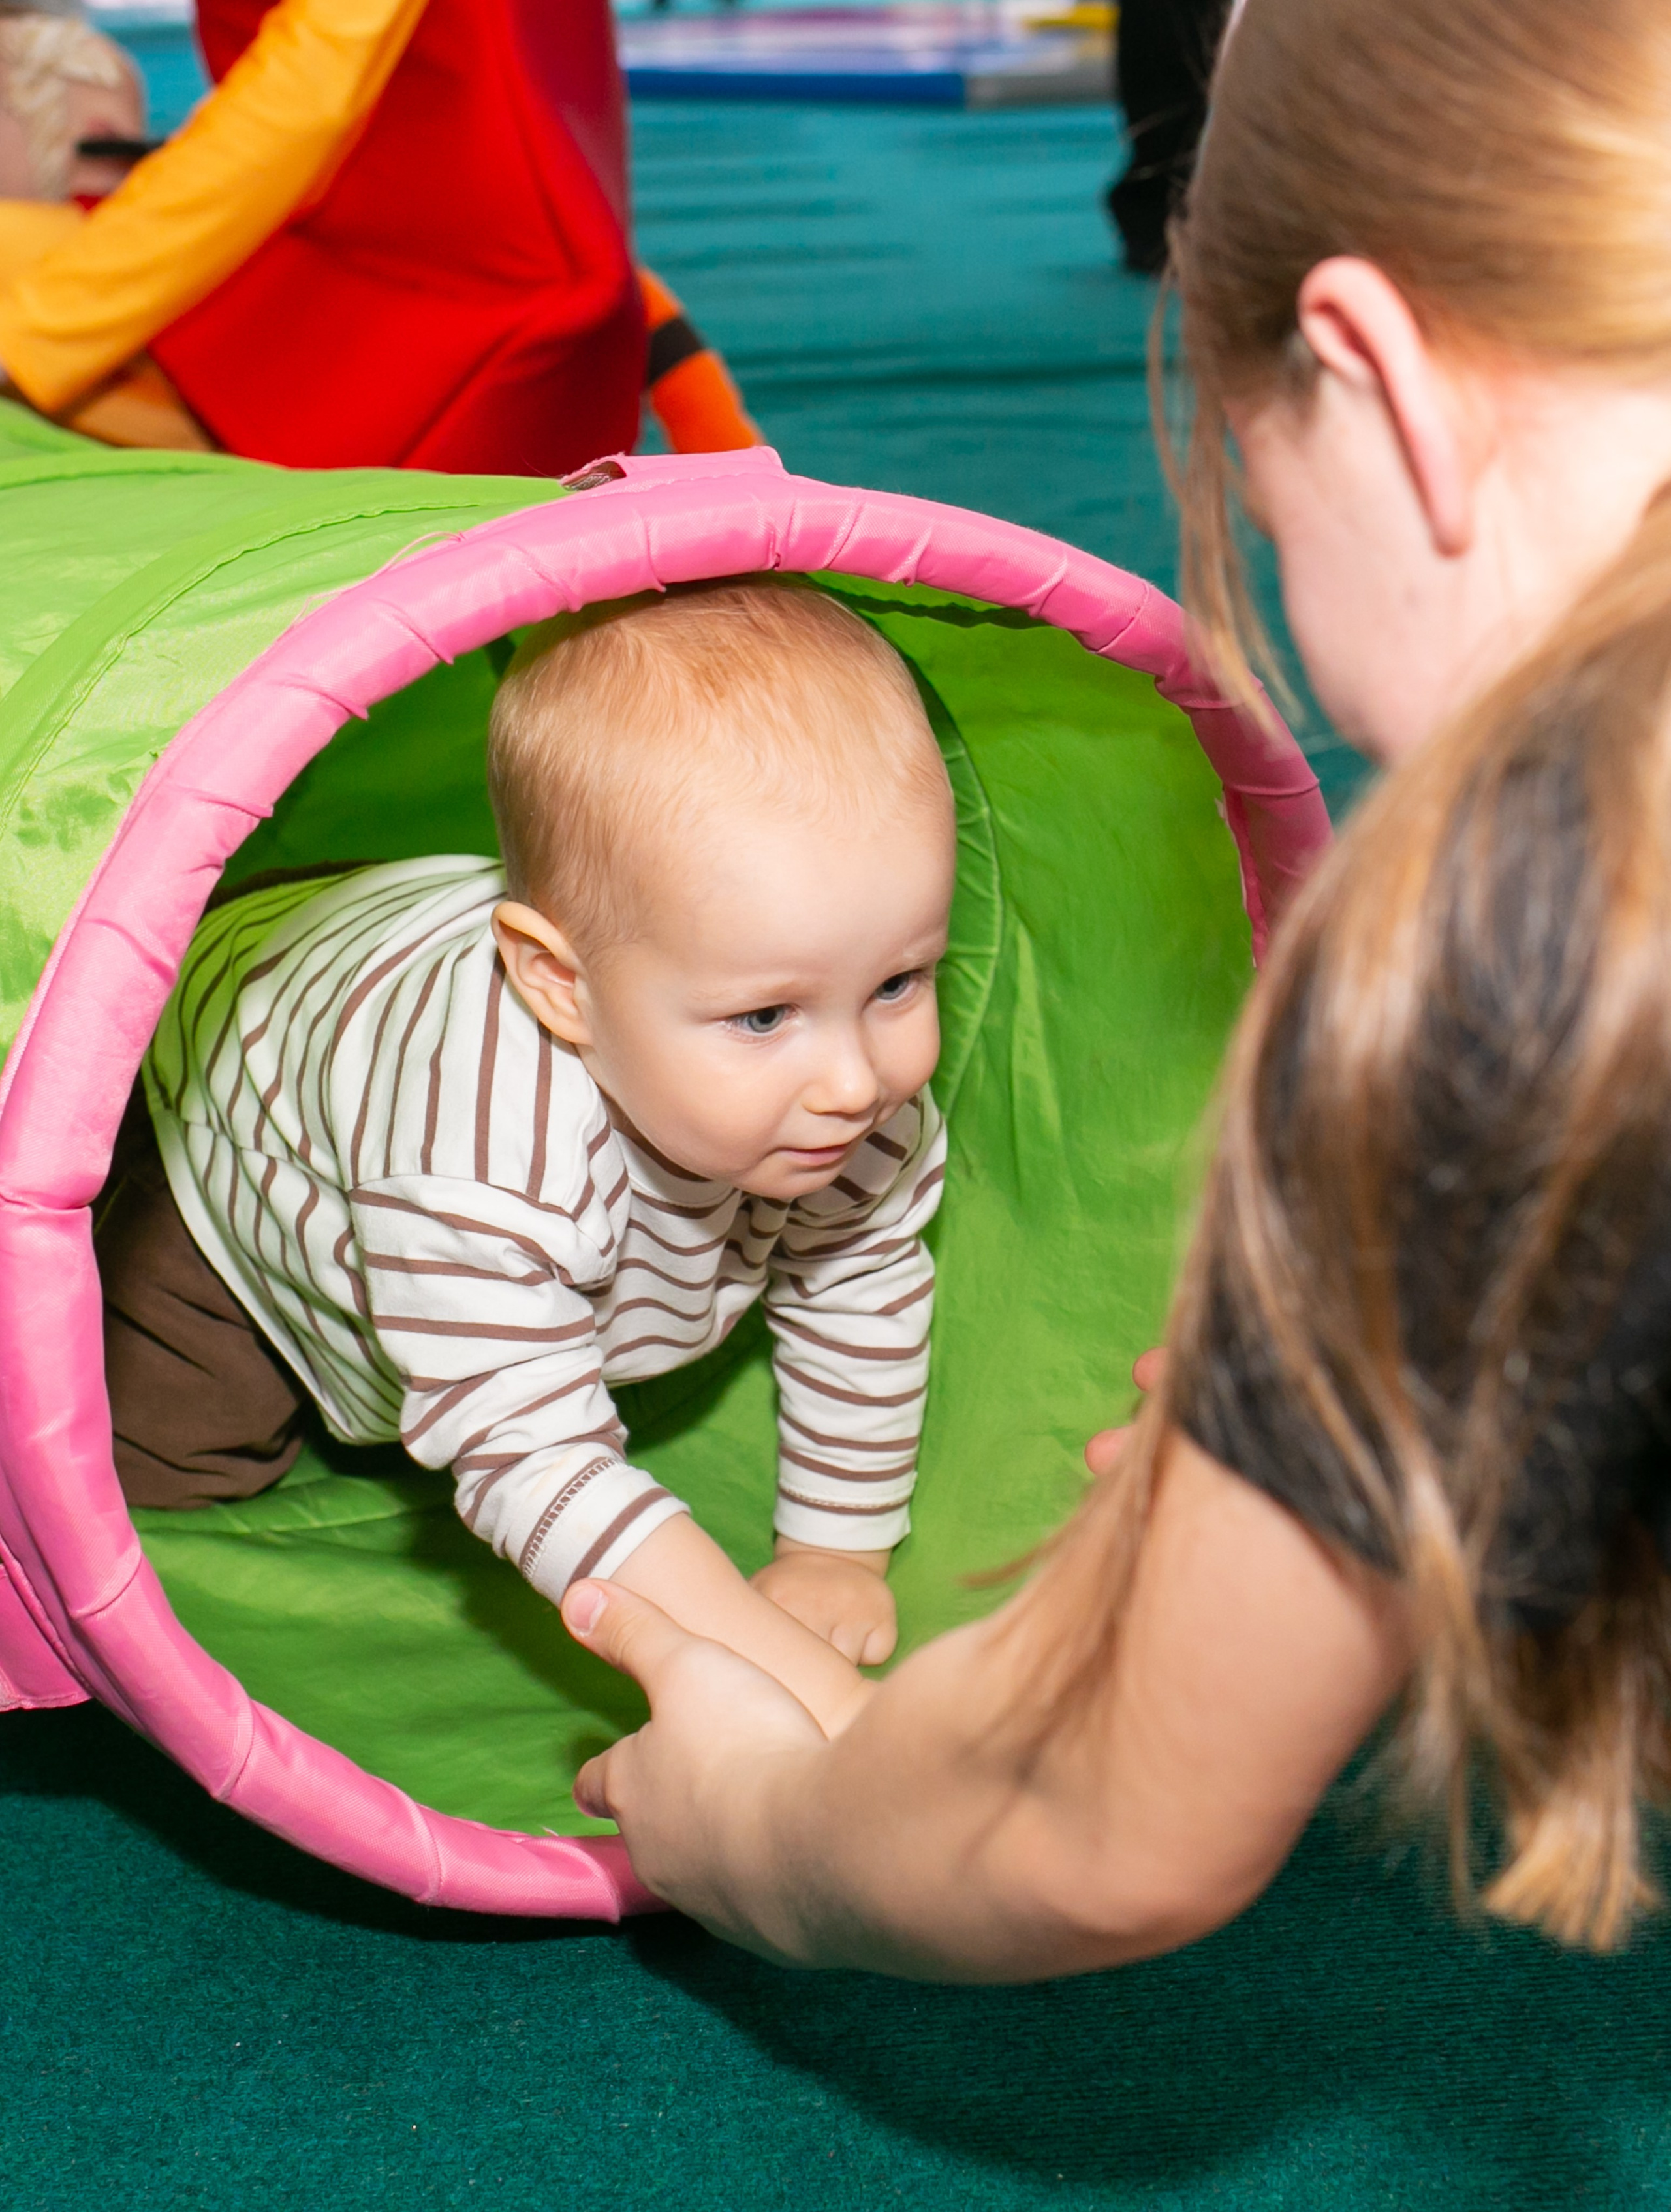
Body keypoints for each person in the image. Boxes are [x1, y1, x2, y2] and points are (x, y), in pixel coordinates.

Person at [559, 0, 1671, 1977]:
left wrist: (744, 1815)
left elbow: (1095, 1826)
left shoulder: (1520, 924)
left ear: (1377, 379)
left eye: (1256, 482)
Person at [95, 579, 955, 1737]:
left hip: (416, 974)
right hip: (244, 1104)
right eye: (766, 1016)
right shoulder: (485, 1155)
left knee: (483, 1355)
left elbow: (863, 1282)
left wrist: (835, 1548)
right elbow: (534, 1455)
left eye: (899, 981)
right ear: (563, 988)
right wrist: (826, 1709)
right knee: (154, 1468)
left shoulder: (841, 1095)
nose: (856, 1080)